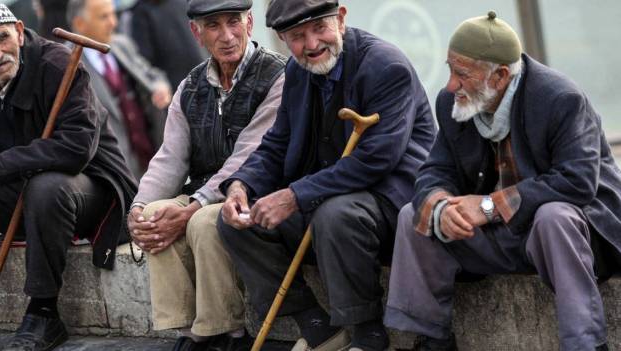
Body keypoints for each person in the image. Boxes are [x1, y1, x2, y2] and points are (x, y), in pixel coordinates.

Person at [383, 11, 621, 351]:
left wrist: (488, 206)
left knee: (554, 216)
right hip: (500, 237)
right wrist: (440, 207)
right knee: (415, 215)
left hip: (570, 239)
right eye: (450, 69)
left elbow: (578, 182)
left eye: (461, 74)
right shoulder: (453, 101)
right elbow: (435, 171)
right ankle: (432, 339)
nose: (451, 84)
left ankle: (585, 343)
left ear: (500, 77)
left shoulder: (561, 99)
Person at [217, 1, 435, 350]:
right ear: (283, 38)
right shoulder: (298, 72)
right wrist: (241, 185)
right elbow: (277, 144)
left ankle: (368, 334)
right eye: (298, 36)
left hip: (392, 201)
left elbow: (376, 160)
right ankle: (317, 326)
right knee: (237, 223)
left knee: (335, 215)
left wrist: (294, 196)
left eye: (320, 28)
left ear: (342, 18)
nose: (313, 44)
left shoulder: (385, 66)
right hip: (325, 197)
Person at [0, 0, 137, 350]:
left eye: (1, 38)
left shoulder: (59, 65)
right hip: (12, 195)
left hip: (86, 194)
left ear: (19, 32)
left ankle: (44, 314)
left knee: (45, 186)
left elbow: (76, 148)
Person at [126, 0, 286, 350]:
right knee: (154, 216)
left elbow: (249, 155)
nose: (227, 35)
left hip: (257, 191)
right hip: (203, 190)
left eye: (234, 22)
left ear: (250, 24)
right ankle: (189, 331)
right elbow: (169, 158)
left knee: (203, 222)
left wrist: (195, 205)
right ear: (196, 33)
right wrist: (138, 208)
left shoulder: (277, 76)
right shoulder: (191, 85)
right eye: (214, 25)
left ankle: (225, 331)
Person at [68, 0, 173, 177]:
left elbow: (152, 75)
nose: (113, 23)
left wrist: (160, 87)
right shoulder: (67, 65)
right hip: (116, 172)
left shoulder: (122, 45)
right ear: (79, 23)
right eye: (104, 17)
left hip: (155, 160)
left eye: (113, 14)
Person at [129, 0, 207, 88]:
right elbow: (145, 60)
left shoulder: (184, 3)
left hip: (206, 77)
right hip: (177, 89)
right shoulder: (141, 12)